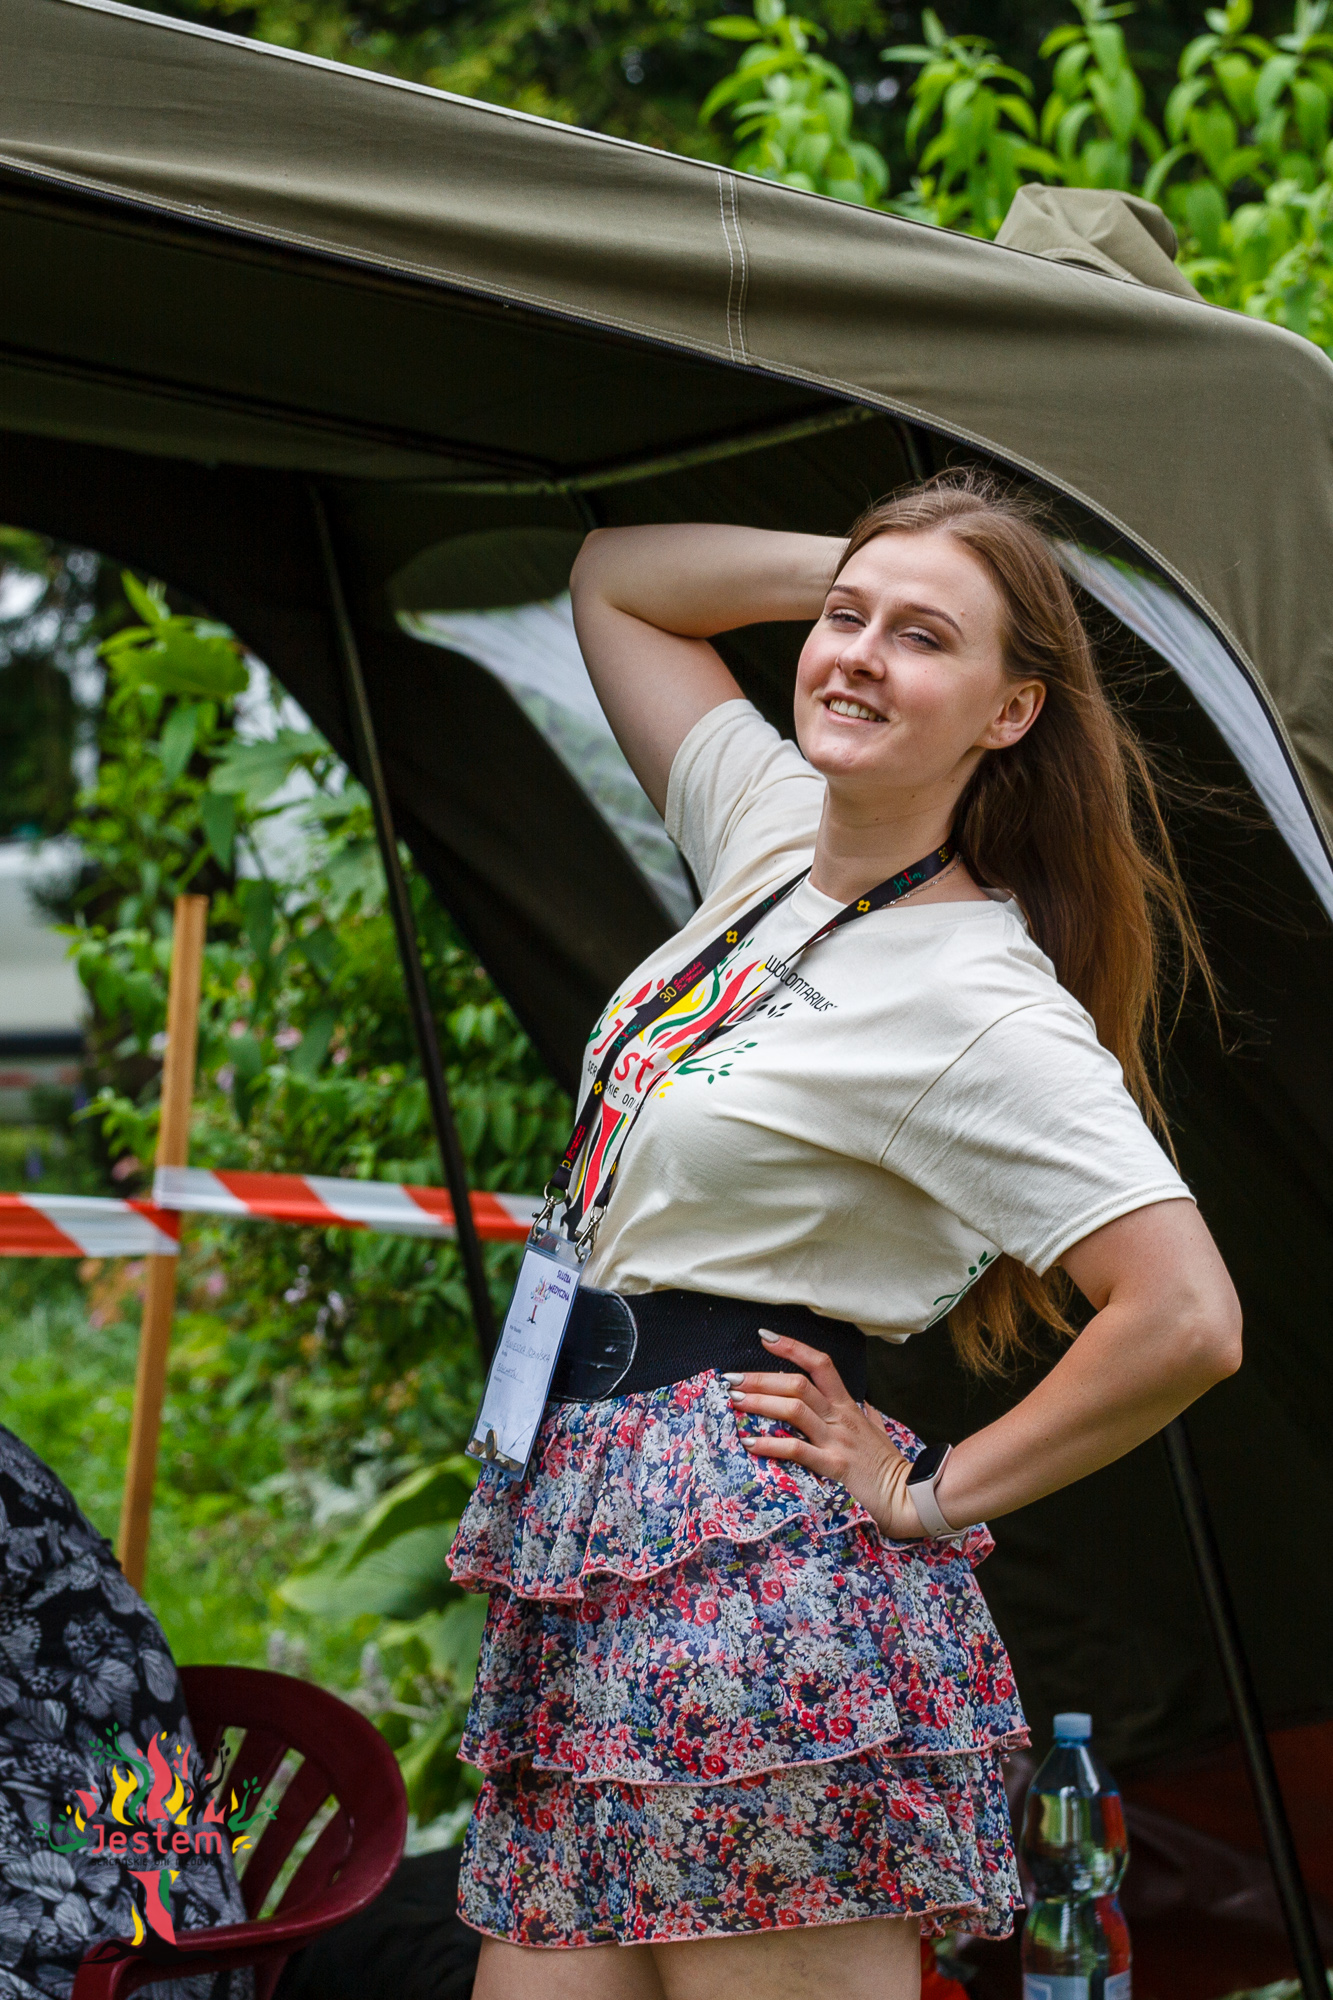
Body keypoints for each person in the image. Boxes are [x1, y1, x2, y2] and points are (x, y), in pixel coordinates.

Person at [446, 470, 1242, 2000]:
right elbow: (618, 580)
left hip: (756, 1579)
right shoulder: (770, 825)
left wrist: (928, 1492)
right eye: (843, 621)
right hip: (588, 1537)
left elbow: (1184, 1315)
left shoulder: (978, 999)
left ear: (1010, 711)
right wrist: (901, 565)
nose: (860, 655)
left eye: (923, 640)